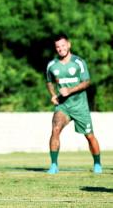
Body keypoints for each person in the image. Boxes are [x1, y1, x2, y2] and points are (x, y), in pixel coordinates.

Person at [45, 34, 102, 174]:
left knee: (89, 136)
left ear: (68, 45)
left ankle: (97, 163)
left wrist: (69, 90)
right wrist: (53, 95)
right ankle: (53, 165)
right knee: (55, 129)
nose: (60, 49)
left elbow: (87, 82)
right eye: (58, 47)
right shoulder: (52, 65)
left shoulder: (79, 62)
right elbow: (49, 82)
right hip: (63, 106)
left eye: (63, 45)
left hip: (80, 106)